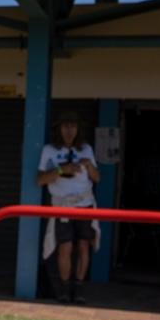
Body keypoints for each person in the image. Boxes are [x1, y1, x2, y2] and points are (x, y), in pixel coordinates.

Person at [37, 111, 100, 304]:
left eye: (73, 126)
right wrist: (60, 170)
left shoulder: (86, 149)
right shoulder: (49, 150)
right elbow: (40, 180)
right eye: (65, 126)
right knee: (64, 247)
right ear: (58, 129)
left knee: (83, 246)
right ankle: (64, 289)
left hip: (85, 204)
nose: (69, 130)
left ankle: (79, 289)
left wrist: (89, 166)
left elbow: (97, 178)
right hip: (62, 205)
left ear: (78, 129)